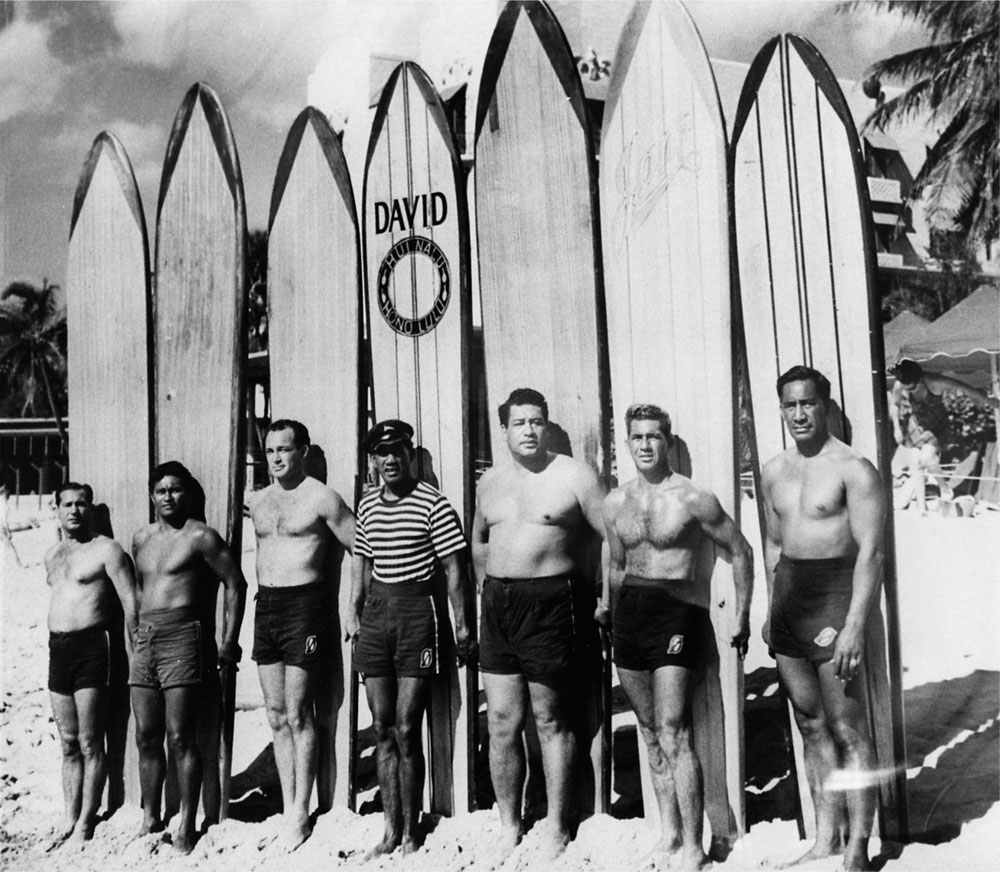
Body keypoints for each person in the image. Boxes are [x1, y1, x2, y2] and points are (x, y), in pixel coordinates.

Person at [602, 404, 753, 871]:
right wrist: (605, 606)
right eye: (637, 437)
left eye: (654, 436)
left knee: (674, 730)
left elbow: (740, 550)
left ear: (668, 441)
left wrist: (742, 614)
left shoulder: (693, 498)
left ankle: (694, 847)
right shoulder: (614, 502)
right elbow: (613, 563)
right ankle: (668, 833)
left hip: (677, 613)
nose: (645, 445)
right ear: (625, 444)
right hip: (629, 614)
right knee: (647, 732)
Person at [471, 387, 606, 861]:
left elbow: (608, 538)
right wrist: (484, 592)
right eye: (519, 423)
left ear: (546, 426)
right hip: (500, 605)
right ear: (504, 430)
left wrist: (601, 595)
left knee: (551, 719)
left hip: (553, 602)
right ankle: (509, 824)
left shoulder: (574, 475)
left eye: (536, 422)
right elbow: (479, 542)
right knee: (503, 721)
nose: (528, 430)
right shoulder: (489, 482)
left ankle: (556, 824)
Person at [761, 365, 886, 872]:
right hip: (790, 598)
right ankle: (824, 838)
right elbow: (773, 543)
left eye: (807, 403)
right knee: (810, 724)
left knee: (848, 727)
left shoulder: (853, 468)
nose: (798, 414)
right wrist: (772, 610)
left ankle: (857, 849)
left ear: (825, 405)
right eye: (789, 405)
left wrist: (855, 623)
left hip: (836, 594)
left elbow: (872, 553)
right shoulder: (773, 470)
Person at [345, 419, 472, 858]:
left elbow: (455, 569)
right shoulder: (367, 506)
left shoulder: (433, 503)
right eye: (382, 454)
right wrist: (354, 613)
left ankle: (412, 831)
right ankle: (389, 828)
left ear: (409, 454)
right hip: (377, 617)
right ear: (373, 460)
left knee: (404, 727)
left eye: (398, 451)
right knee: (381, 729)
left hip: (418, 613)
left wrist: (462, 628)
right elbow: (362, 565)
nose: (390, 460)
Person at [247, 420, 355, 851]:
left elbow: (360, 546)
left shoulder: (321, 498)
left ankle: (301, 811)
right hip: (267, 606)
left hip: (306, 607)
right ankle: (288, 802)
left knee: (298, 711)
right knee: (274, 713)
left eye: (285, 450)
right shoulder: (257, 501)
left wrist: (357, 605)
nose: (276, 458)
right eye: (270, 450)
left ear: (303, 451)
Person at [130, 461, 247, 854]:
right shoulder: (141, 538)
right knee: (147, 734)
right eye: (161, 491)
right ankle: (150, 815)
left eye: (175, 490)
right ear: (152, 496)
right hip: (147, 639)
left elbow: (236, 583)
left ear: (188, 494)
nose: (168, 497)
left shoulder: (201, 537)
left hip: (186, 637)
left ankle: (186, 822)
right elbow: (141, 588)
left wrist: (229, 640)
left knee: (182, 736)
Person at [44, 482, 136, 848]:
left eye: (81, 504)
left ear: (91, 508)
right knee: (67, 742)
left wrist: (138, 649)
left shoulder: (107, 551)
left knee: (88, 740)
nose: (74, 511)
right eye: (66, 504)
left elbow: (131, 602)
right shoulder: (52, 554)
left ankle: (86, 819)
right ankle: (69, 814)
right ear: (57, 510)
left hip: (93, 647)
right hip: (58, 650)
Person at [888, 358, 999, 512]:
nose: (910, 390)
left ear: (919, 379)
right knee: (916, 465)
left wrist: (988, 400)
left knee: (926, 458)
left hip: (937, 425)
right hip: (916, 423)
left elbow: (965, 388)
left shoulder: (935, 382)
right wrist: (896, 427)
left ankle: (945, 489)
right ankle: (922, 510)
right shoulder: (901, 384)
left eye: (912, 387)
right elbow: (894, 403)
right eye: (907, 388)